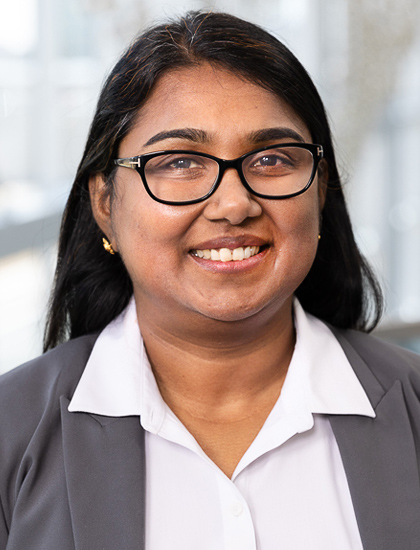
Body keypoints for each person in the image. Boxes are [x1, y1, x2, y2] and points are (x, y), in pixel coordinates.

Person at [1, 10, 420, 550]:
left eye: (271, 158)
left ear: (320, 192)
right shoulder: (12, 432)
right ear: (105, 203)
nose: (234, 203)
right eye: (179, 162)